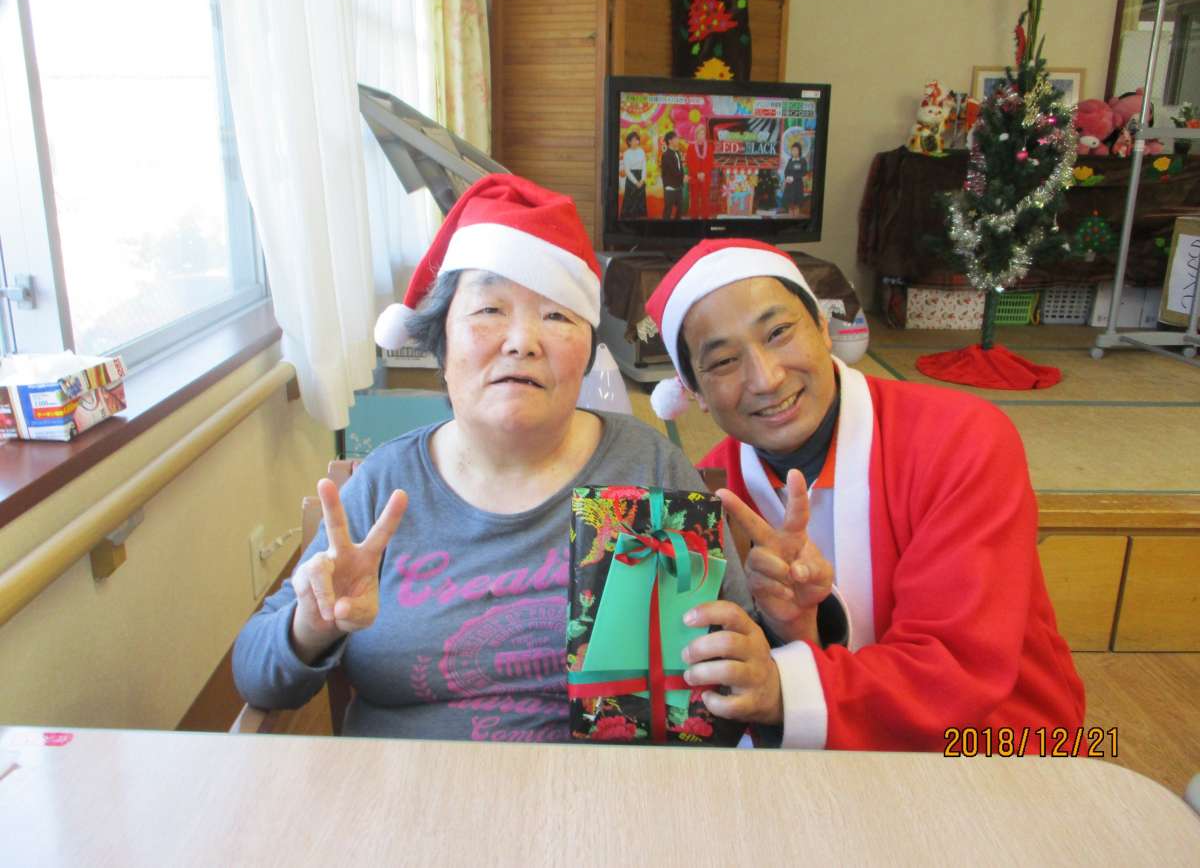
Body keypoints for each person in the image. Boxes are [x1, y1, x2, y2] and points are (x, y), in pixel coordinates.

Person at [232, 176, 777, 741]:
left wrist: (768, 644)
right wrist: (312, 625)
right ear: (441, 341)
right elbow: (255, 675)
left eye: (557, 316)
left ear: (587, 353)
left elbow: (740, 670)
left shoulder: (649, 469)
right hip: (403, 787)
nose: (522, 342)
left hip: (602, 788)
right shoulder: (384, 487)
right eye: (489, 309)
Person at [644, 238, 1086, 751]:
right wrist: (790, 631)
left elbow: (959, 665)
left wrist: (782, 687)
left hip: (1000, 750)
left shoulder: (962, 440)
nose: (766, 378)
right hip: (806, 765)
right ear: (693, 392)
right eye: (723, 361)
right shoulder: (710, 496)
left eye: (779, 332)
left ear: (822, 328)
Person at [685, 123, 714, 219]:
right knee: (694, 198)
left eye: (703, 134)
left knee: (705, 198)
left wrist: (704, 173)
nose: (702, 136)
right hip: (694, 177)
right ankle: (694, 218)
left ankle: (705, 218)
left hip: (705, 177)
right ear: (696, 135)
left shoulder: (709, 147)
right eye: (700, 134)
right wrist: (697, 174)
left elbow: (710, 162)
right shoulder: (691, 147)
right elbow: (689, 162)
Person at [619, 130, 647, 219]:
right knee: (630, 203)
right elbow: (627, 170)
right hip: (631, 179)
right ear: (629, 142)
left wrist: (642, 180)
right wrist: (636, 182)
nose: (635, 142)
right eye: (633, 140)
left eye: (637, 140)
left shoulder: (642, 151)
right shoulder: (626, 153)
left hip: (641, 178)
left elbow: (644, 167)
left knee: (640, 203)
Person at [660, 131, 685, 220]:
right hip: (670, 188)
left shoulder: (677, 152)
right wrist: (683, 177)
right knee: (668, 212)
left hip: (678, 187)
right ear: (670, 141)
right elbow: (673, 171)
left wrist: (683, 177)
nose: (678, 140)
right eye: (676, 138)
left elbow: (680, 168)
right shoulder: (666, 155)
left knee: (680, 210)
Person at [781, 142, 807, 216]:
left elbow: (804, 172)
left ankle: (796, 217)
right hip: (790, 185)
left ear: (799, 151)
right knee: (789, 203)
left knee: (796, 203)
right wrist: (787, 177)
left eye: (796, 150)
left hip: (798, 185)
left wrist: (794, 178)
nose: (794, 152)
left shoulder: (802, 160)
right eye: (793, 150)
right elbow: (786, 171)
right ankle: (790, 217)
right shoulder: (790, 160)